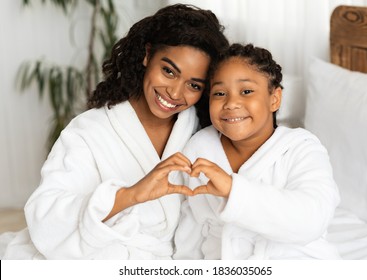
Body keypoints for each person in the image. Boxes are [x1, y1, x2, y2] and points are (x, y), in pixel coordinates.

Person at [0, 3, 228, 259]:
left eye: (194, 85)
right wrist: (130, 195)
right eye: (168, 71)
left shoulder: (200, 134)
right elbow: (46, 217)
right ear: (147, 55)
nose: (175, 93)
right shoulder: (89, 131)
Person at [172, 44, 341, 259]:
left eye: (246, 91)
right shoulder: (200, 149)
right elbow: (191, 230)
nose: (231, 103)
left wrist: (234, 190)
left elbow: (312, 218)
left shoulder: (302, 148)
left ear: (274, 99)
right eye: (220, 93)